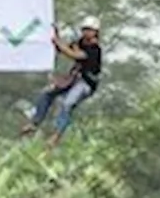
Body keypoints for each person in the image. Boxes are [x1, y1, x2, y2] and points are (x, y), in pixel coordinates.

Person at [19, 16, 102, 149]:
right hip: (74, 79)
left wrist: (58, 42)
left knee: (67, 103)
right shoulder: (80, 42)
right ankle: (35, 122)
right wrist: (55, 37)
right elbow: (63, 48)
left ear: (95, 32)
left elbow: (73, 54)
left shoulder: (94, 49)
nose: (86, 32)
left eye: (89, 30)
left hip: (86, 83)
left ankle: (56, 136)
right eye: (85, 29)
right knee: (47, 93)